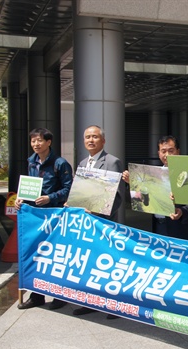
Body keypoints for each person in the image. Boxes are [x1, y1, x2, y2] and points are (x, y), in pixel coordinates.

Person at [15, 128, 73, 310]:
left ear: (49, 142)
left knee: (55, 256)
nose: (36, 144)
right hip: (35, 217)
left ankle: (59, 295)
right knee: (36, 254)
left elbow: (69, 190)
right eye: (33, 141)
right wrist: (20, 198)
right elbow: (29, 187)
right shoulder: (31, 162)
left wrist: (50, 198)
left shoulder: (60, 163)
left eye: (39, 140)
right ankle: (37, 295)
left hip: (54, 217)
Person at [73, 125, 124, 317]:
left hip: (104, 223)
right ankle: (91, 301)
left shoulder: (112, 162)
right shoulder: (82, 163)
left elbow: (118, 196)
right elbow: (79, 192)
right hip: (86, 224)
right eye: (87, 137)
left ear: (103, 140)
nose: (90, 140)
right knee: (91, 264)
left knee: (107, 265)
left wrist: (97, 210)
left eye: (95, 137)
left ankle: (114, 304)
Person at [122, 135, 188, 241]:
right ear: (158, 153)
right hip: (158, 226)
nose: (167, 155)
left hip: (181, 229)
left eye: (171, 150)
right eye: (163, 151)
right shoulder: (153, 174)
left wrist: (182, 211)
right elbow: (144, 199)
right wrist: (133, 182)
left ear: (178, 151)